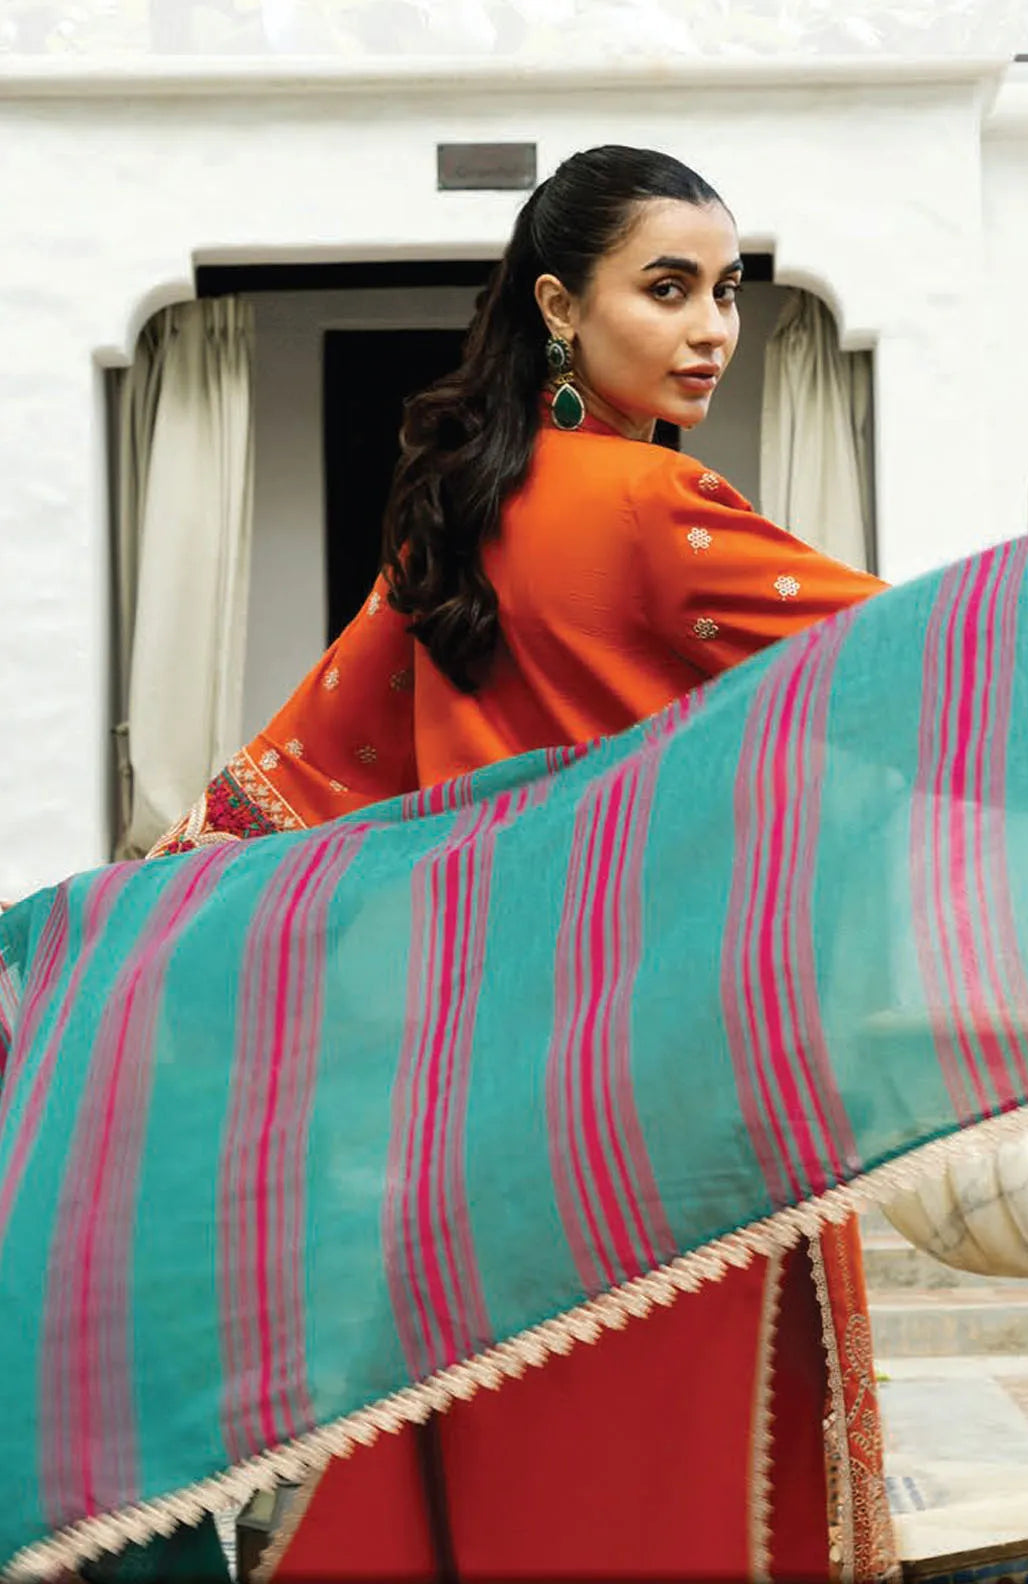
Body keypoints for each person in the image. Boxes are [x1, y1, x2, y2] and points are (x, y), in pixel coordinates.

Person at [140, 145, 895, 1580]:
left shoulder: (455, 519)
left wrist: (106, 946)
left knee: (505, 1466)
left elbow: (284, 785)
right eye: (665, 289)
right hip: (665, 1086)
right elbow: (922, 664)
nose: (711, 329)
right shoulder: (654, 504)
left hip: (479, 1093)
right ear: (559, 305)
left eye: (725, 292)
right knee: (660, 1482)